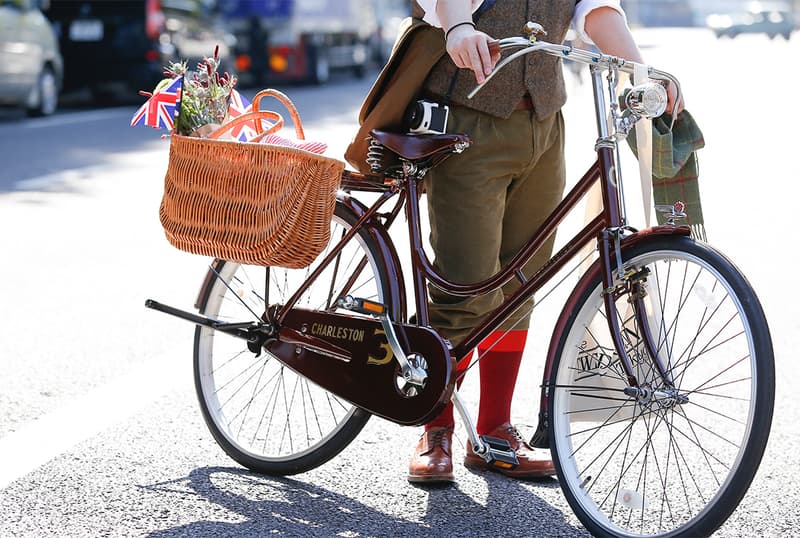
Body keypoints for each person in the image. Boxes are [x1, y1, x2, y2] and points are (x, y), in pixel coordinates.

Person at [405, 0, 681, 483]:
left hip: (543, 124)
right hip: (466, 117)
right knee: (465, 285)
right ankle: (436, 427)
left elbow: (597, 9)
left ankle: (492, 429)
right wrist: (459, 28)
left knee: (521, 284)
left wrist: (648, 72)